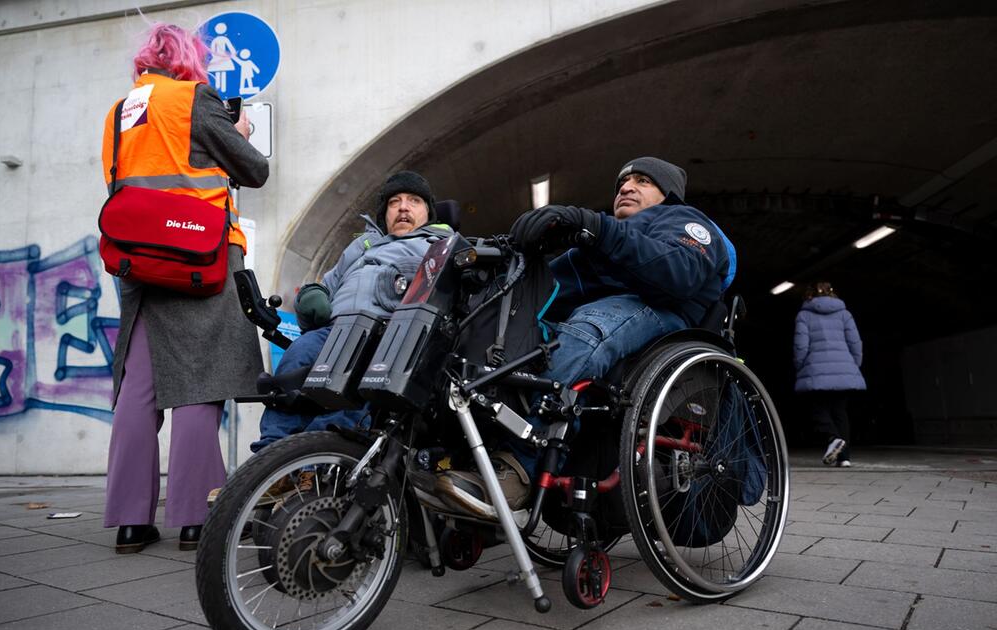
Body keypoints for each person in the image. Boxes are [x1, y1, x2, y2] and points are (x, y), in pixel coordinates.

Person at [434, 156, 735, 514]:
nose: (626, 187)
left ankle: (518, 471)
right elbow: (545, 291)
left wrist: (596, 226)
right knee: (509, 339)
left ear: (667, 193)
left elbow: (678, 274)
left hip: (663, 314)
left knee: (586, 329)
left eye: (642, 181)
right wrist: (509, 263)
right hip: (606, 317)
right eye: (623, 182)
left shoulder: (684, 220)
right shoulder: (596, 245)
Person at [101, 23, 268, 554]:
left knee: (139, 388)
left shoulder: (118, 113)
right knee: (202, 380)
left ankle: (130, 520)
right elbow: (255, 171)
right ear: (189, 61)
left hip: (139, 259)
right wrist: (237, 130)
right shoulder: (195, 99)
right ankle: (196, 517)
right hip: (202, 255)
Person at [250, 171, 454, 453]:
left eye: (413, 200)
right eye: (394, 202)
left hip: (388, 335)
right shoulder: (361, 246)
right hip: (333, 332)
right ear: (385, 213)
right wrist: (313, 295)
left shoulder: (438, 246)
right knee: (297, 357)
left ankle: (315, 462)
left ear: (428, 212)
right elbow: (327, 284)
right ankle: (269, 457)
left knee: (351, 387)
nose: (403, 207)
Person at [793, 281, 866, 467]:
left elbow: (801, 345)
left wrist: (800, 366)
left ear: (810, 295)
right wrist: (853, 366)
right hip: (844, 369)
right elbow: (855, 343)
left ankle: (832, 438)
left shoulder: (804, 315)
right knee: (840, 412)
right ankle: (845, 458)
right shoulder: (845, 314)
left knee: (818, 410)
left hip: (815, 370)